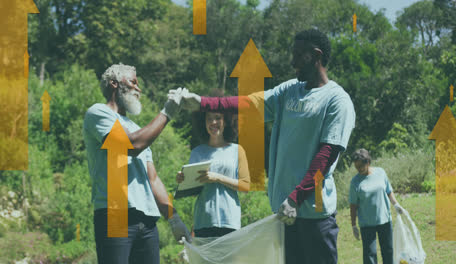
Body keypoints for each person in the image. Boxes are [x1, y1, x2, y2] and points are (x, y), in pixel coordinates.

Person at [173, 28, 356, 263]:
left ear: (316, 55)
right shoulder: (289, 91)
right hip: (285, 216)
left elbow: (326, 156)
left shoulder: (336, 100)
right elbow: (250, 103)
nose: (292, 62)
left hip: (314, 214)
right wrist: (203, 102)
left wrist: (296, 198)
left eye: (298, 55)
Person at [83, 63, 191, 264]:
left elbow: (153, 178)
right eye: (133, 82)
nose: (138, 89)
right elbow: (131, 146)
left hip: (147, 223)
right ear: (114, 84)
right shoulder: (98, 113)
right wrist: (167, 113)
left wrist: (174, 218)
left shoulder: (137, 129)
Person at [176, 111, 250, 237]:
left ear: (226, 121)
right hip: (203, 222)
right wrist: (183, 180)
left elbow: (245, 186)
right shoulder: (197, 152)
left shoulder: (237, 150)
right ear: (203, 123)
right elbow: (193, 192)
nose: (213, 122)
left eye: (218, 118)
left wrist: (218, 178)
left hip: (230, 222)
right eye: (209, 119)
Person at [349, 148, 405, 264]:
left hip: (384, 219)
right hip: (367, 223)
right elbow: (353, 205)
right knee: (370, 254)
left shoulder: (381, 172)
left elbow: (388, 191)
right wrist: (353, 225)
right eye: (356, 167)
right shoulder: (355, 182)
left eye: (361, 166)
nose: (358, 169)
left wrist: (395, 204)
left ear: (368, 162)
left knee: (388, 250)